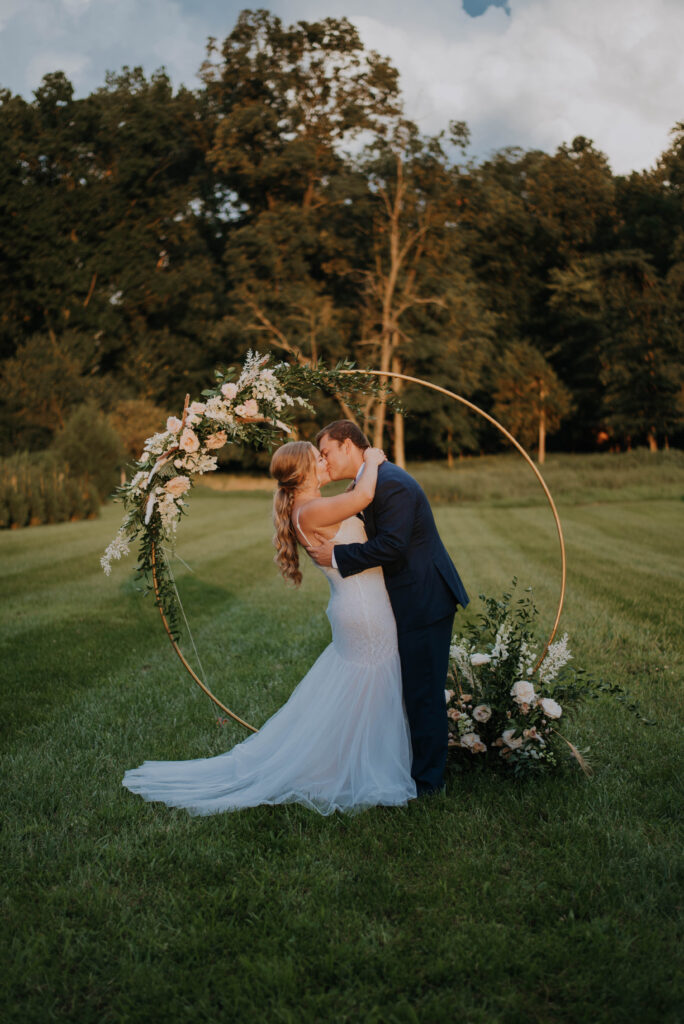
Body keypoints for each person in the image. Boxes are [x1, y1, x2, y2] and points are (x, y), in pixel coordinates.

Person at [122, 439, 417, 815]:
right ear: (303, 472)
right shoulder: (310, 510)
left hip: (359, 606)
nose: (325, 462)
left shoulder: (308, 506)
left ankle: (350, 761)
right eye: (318, 458)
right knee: (370, 685)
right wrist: (372, 459)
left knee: (357, 688)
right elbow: (363, 497)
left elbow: (348, 507)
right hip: (364, 609)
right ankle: (364, 768)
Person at [308, 421, 469, 796]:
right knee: (412, 689)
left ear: (348, 446)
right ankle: (409, 767)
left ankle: (428, 784)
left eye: (327, 451)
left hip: (425, 599)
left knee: (423, 693)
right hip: (410, 596)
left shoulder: (391, 482)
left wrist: (335, 555)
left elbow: (392, 546)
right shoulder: (371, 480)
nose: (324, 460)